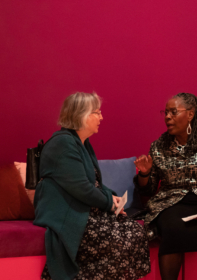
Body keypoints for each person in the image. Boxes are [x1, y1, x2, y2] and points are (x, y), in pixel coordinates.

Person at [33, 92, 150, 280]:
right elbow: (82, 188)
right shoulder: (62, 143)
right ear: (81, 115)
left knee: (135, 230)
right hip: (65, 212)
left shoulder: (81, 142)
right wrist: (110, 203)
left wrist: (112, 196)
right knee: (123, 239)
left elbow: (93, 182)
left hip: (82, 208)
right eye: (97, 112)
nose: (101, 117)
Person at [134, 92, 197, 280]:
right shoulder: (158, 146)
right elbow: (148, 190)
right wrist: (145, 173)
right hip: (169, 204)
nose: (167, 117)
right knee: (172, 230)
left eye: (173, 112)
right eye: (165, 113)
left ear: (190, 114)